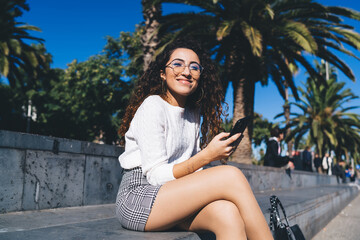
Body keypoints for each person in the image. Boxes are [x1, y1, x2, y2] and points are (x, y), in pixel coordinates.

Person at [116, 39, 273, 240]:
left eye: (194, 67)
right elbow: (155, 176)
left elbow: (191, 170)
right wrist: (207, 156)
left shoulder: (193, 114)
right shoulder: (153, 106)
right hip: (139, 197)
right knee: (231, 175)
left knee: (227, 213)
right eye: (178, 64)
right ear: (163, 74)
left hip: (171, 196)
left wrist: (213, 154)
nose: (186, 72)